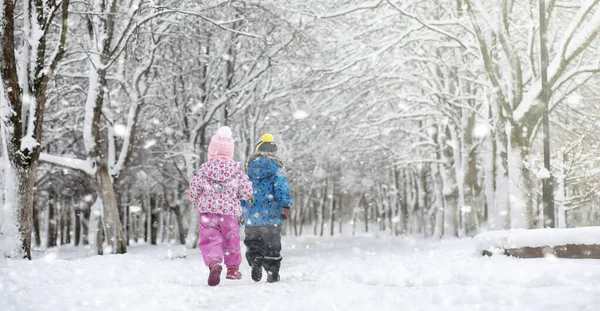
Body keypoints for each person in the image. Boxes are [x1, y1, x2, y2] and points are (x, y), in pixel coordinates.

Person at [188, 126, 253, 286]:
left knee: (210, 240)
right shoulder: (236, 171)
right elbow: (246, 191)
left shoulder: (204, 169)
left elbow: (194, 189)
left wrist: (193, 198)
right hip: (229, 213)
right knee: (231, 239)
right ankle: (232, 269)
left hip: (207, 213)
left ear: (212, 151)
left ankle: (214, 262)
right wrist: (247, 196)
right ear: (230, 152)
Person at [241, 133, 292, 283]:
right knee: (272, 244)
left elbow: (243, 192)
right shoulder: (277, 171)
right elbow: (282, 189)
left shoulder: (248, 172)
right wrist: (285, 205)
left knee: (253, 242)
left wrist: (242, 211)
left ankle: (255, 258)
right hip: (271, 216)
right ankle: (272, 272)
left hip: (252, 216)